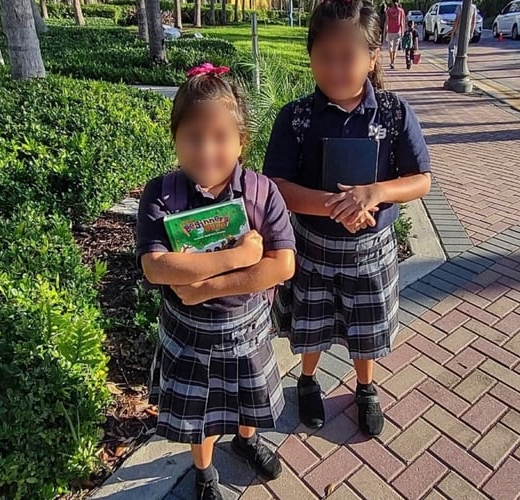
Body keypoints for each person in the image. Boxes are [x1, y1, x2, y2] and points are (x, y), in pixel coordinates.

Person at [262, 0, 432, 438]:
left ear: (372, 56)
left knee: (365, 326)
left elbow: (420, 180)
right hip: (313, 246)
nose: (336, 69)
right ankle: (307, 379)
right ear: (311, 55)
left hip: (371, 250)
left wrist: (375, 193)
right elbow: (275, 185)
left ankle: (366, 386)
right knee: (313, 323)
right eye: (325, 57)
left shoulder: (394, 114)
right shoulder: (297, 118)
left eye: (348, 57)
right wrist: (334, 205)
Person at [137, 62, 297, 500]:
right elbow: (156, 267)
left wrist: (203, 286)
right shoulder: (162, 193)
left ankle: (246, 439)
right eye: (193, 137)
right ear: (175, 139)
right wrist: (240, 255)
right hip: (190, 336)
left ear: (241, 142)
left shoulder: (262, 191)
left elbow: (282, 265)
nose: (207, 150)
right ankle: (204, 471)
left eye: (221, 137)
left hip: (246, 329)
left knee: (248, 396)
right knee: (201, 413)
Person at [447, 1, 477, 70]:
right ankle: (462, 66)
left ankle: (451, 65)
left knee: (451, 47)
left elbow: (457, 19)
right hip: (467, 31)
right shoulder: (473, 7)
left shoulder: (460, 6)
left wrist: (453, 31)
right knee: (463, 50)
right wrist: (471, 32)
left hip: (458, 31)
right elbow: (473, 21)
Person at [384, 0, 405, 69]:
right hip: (398, 31)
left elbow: (386, 21)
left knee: (390, 47)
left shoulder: (389, 11)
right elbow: (402, 22)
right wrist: (402, 32)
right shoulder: (401, 11)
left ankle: (391, 61)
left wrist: (385, 30)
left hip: (390, 31)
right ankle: (393, 61)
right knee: (395, 48)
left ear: (392, 3)